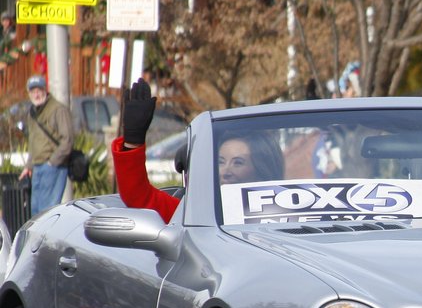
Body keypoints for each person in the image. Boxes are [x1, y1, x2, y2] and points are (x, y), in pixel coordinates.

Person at [113, 79, 284, 222]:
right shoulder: (195, 214)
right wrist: (133, 141)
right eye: (220, 161)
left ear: (263, 171)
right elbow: (139, 196)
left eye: (238, 162)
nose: (226, 171)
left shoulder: (291, 214)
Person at [18, 75, 74, 215]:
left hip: (53, 167)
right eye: (33, 91)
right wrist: (29, 166)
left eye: (39, 90)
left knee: (47, 212)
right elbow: (33, 142)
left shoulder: (57, 109)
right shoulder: (32, 112)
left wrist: (52, 162)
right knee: (36, 213)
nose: (36, 94)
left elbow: (67, 140)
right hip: (37, 168)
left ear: (45, 90)